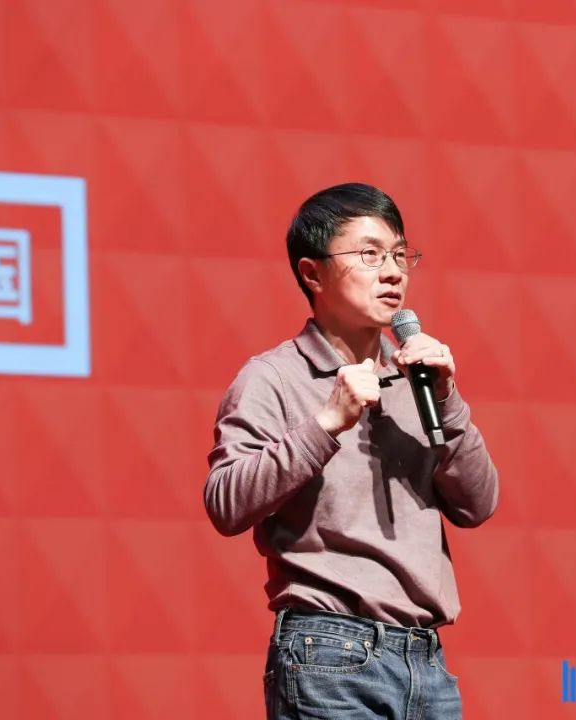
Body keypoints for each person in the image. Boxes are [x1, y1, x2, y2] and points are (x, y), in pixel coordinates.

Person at [204, 182, 499, 719]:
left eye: (400, 255)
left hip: (426, 660)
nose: (393, 272)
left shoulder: (418, 378)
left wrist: (447, 398)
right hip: (329, 654)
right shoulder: (274, 377)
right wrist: (326, 424)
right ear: (312, 273)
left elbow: (478, 504)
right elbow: (225, 502)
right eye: (369, 254)